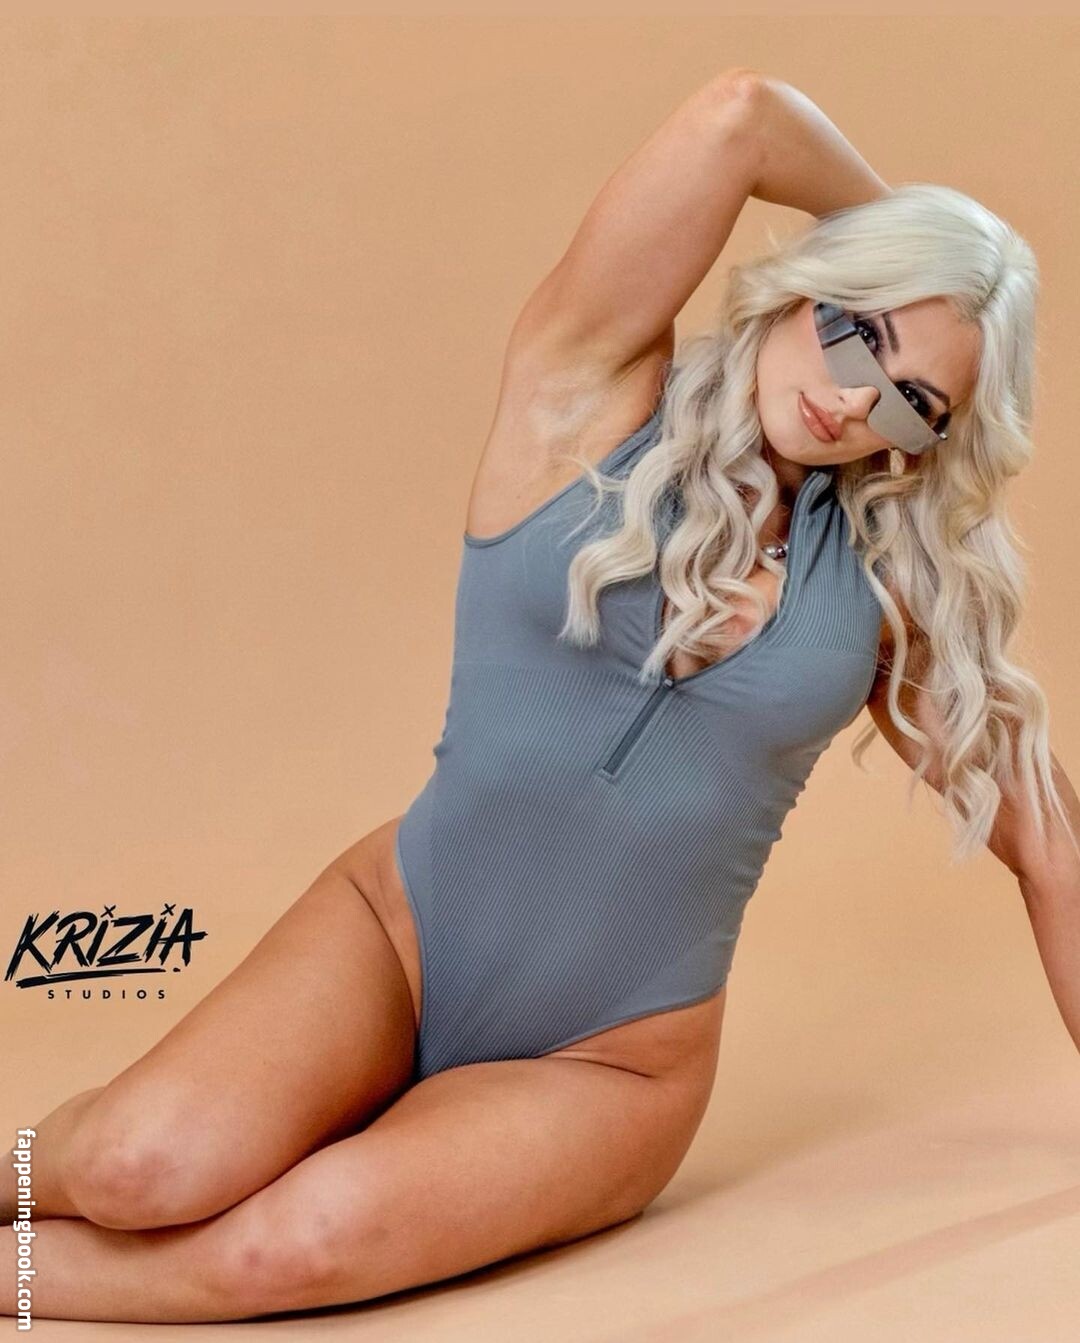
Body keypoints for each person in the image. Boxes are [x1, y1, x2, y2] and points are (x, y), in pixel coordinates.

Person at [5, 67, 1079, 1326]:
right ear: (811, 286)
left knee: (285, 1247)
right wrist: (926, 250)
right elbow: (740, 117)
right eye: (858, 330)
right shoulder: (585, 395)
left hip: (610, 1062)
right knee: (136, 1167)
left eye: (912, 397)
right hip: (399, 936)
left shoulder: (886, 591)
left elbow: (1053, 851)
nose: (853, 395)